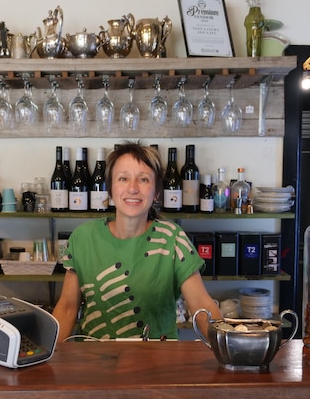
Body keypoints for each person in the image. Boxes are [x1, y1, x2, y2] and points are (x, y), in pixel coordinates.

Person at [53, 141, 221, 341]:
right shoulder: (83, 238)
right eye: (123, 178)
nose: (132, 188)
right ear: (110, 189)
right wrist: (47, 359)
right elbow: (67, 308)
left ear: (156, 192)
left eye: (143, 180)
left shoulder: (172, 239)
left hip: (158, 362)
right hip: (95, 361)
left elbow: (202, 306)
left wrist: (228, 349)